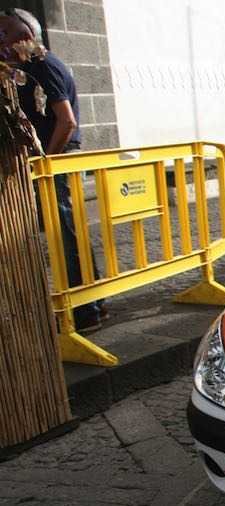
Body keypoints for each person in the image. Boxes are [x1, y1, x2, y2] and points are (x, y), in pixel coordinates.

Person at [2, 7, 105, 332]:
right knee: (68, 231)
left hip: (58, 159)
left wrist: (46, 160)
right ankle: (92, 303)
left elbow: (66, 121)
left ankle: (85, 309)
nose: (2, 42)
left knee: (65, 233)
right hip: (54, 158)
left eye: (5, 34)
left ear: (25, 36)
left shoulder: (44, 65)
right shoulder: (26, 67)